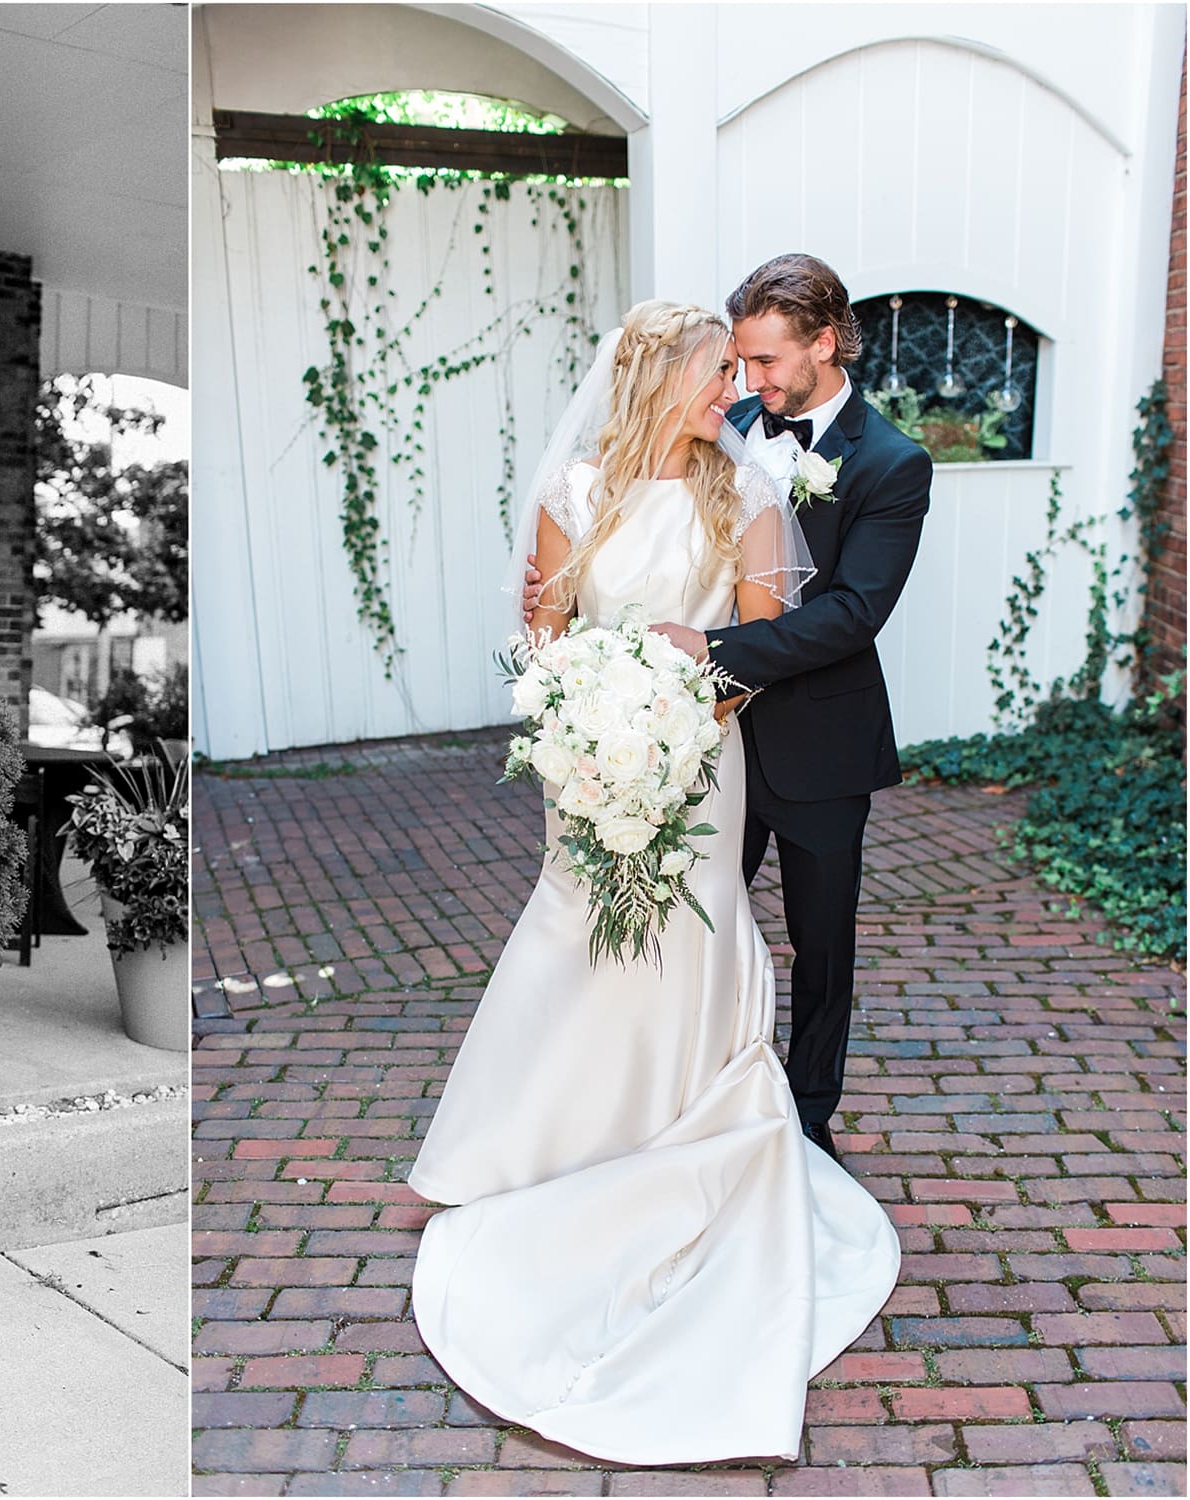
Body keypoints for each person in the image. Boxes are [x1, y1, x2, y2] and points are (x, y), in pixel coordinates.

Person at [408, 298, 900, 1464]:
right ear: (648, 375)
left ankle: (685, 1126)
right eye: (710, 368)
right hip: (583, 764)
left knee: (692, 932)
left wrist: (673, 729)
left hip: (694, 762)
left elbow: (754, 642)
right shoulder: (571, 492)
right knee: (575, 939)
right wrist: (584, 727)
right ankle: (550, 1142)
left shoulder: (747, 490)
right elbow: (541, 629)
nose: (728, 386)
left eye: (739, 365)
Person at [519, 254, 933, 1159]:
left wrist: (708, 656)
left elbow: (853, 614)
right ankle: (664, 1099)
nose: (748, 383)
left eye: (767, 363)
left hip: (814, 741)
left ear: (824, 345)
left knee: (821, 949)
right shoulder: (723, 422)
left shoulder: (894, 464)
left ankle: (806, 1120)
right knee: (683, 935)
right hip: (701, 753)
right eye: (736, 362)